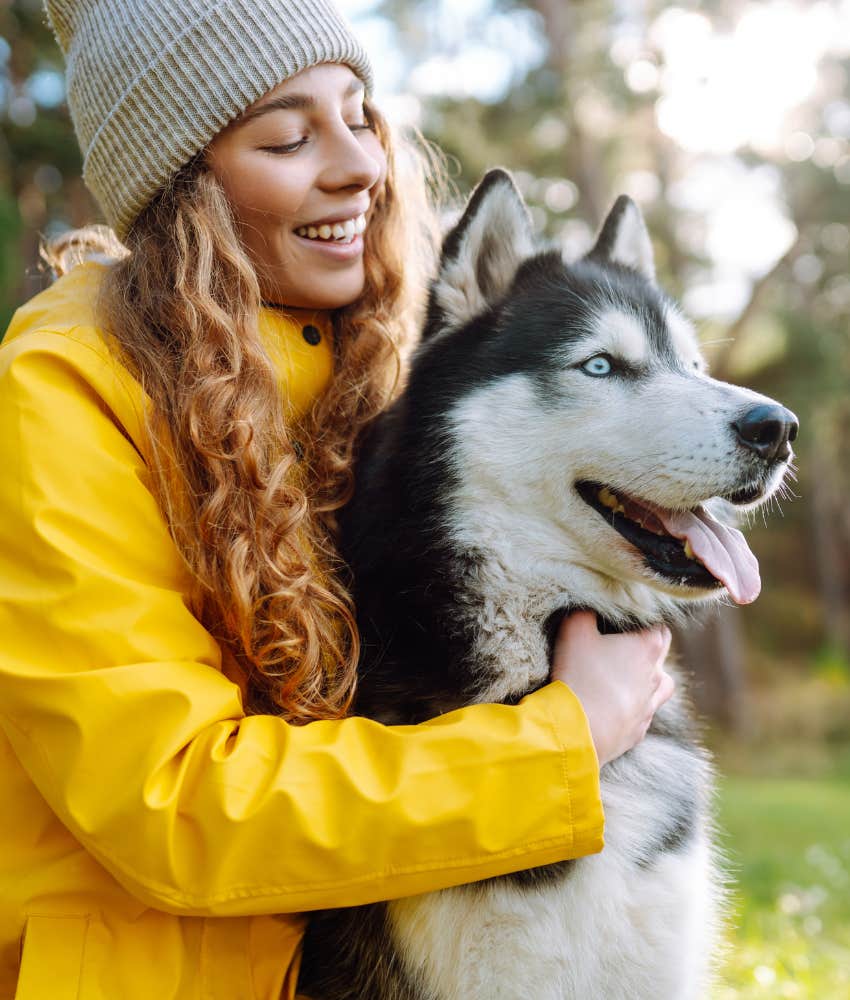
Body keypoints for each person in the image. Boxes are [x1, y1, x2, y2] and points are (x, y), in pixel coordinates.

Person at [0, 2, 674, 997]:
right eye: (285, 135)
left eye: (361, 116)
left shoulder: (389, 366)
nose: (360, 164)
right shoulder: (67, 389)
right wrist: (558, 745)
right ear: (180, 187)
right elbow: (174, 801)